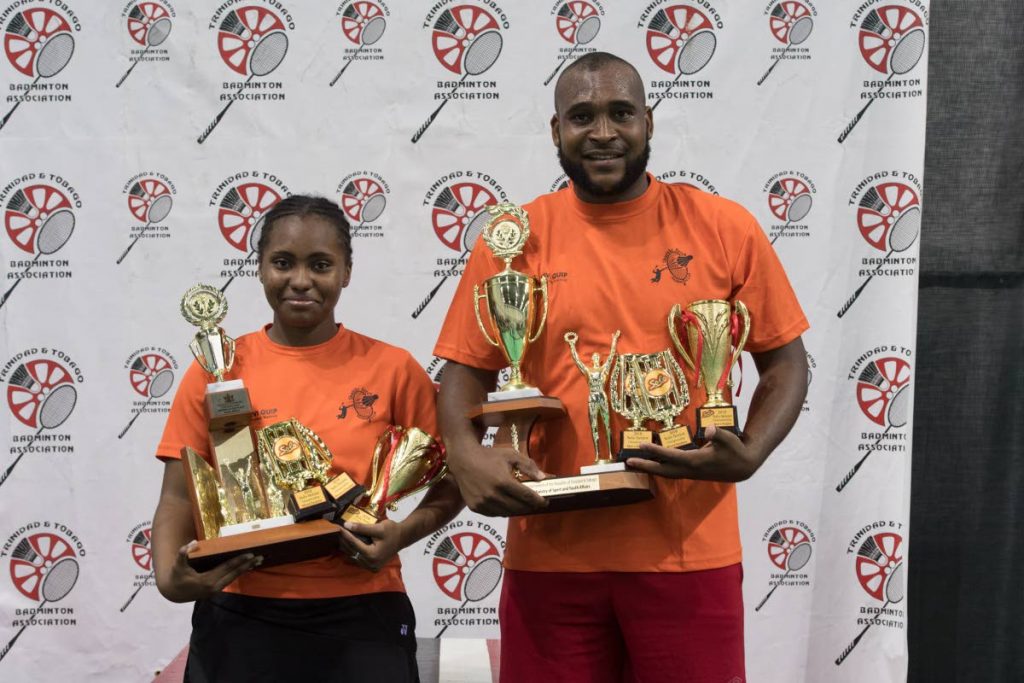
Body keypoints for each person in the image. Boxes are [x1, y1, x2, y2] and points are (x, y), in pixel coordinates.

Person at [434, 53, 809, 682]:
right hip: (550, 554)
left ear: (649, 122)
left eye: (620, 113)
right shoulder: (514, 238)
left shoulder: (723, 227)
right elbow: (462, 373)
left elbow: (786, 362)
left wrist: (753, 449)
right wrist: (465, 455)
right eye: (581, 116)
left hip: (688, 552)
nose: (603, 132)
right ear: (556, 132)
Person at [151, 195, 463, 682]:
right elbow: (176, 497)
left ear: (346, 272)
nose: (300, 281)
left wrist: (402, 533)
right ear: (258, 268)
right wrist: (170, 578)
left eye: (320, 264)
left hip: (364, 608)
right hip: (239, 610)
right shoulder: (217, 370)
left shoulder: (393, 367)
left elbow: (454, 480)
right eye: (283, 263)